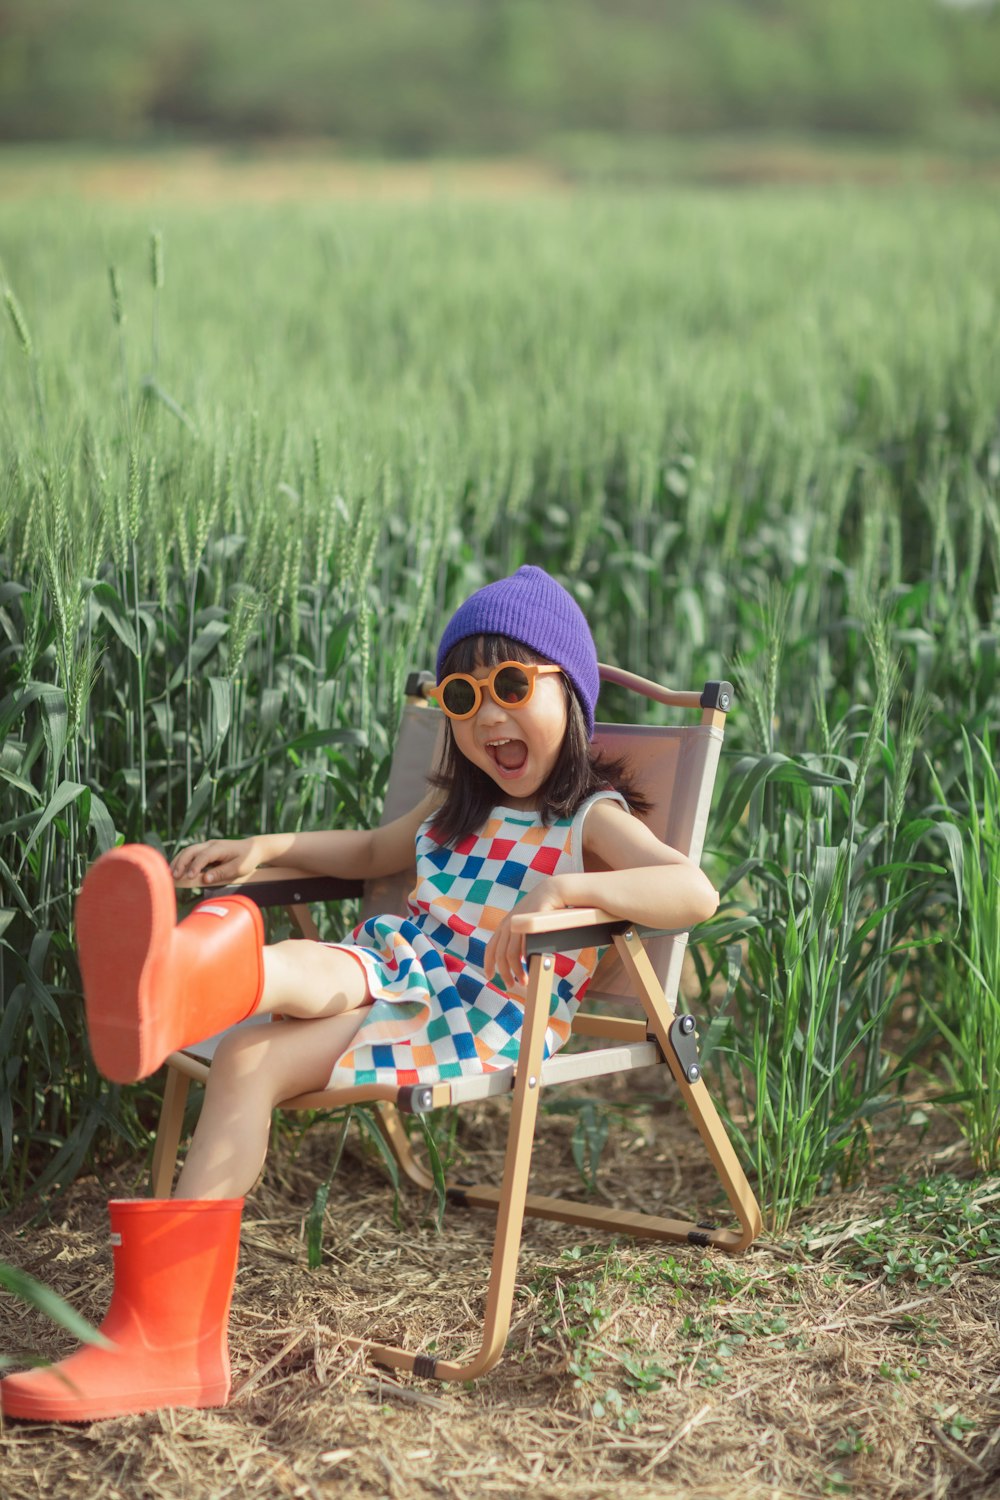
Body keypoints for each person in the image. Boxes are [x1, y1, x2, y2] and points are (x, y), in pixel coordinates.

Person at [0, 565, 718, 1422]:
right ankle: (167, 1342)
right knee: (248, 1055)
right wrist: (265, 849)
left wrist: (567, 893)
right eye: (464, 695)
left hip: (478, 1012)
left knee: (311, 990)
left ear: (574, 693)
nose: (489, 715)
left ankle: (185, 982)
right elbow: (373, 854)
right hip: (398, 969)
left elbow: (693, 893)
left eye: (514, 685)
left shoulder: (586, 818)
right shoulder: (456, 805)